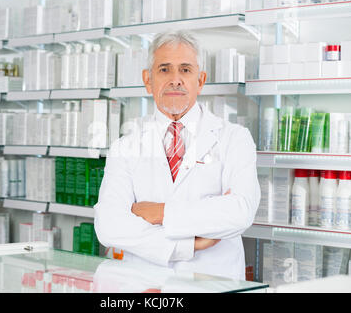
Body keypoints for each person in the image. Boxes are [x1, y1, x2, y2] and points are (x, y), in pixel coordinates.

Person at [94, 30, 260, 280]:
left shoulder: (234, 138)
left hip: (213, 283)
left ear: (200, 80)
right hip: (147, 286)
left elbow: (240, 211)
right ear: (148, 80)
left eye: (185, 69)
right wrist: (188, 243)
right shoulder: (125, 146)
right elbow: (109, 225)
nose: (175, 79)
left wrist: (160, 212)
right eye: (164, 69)